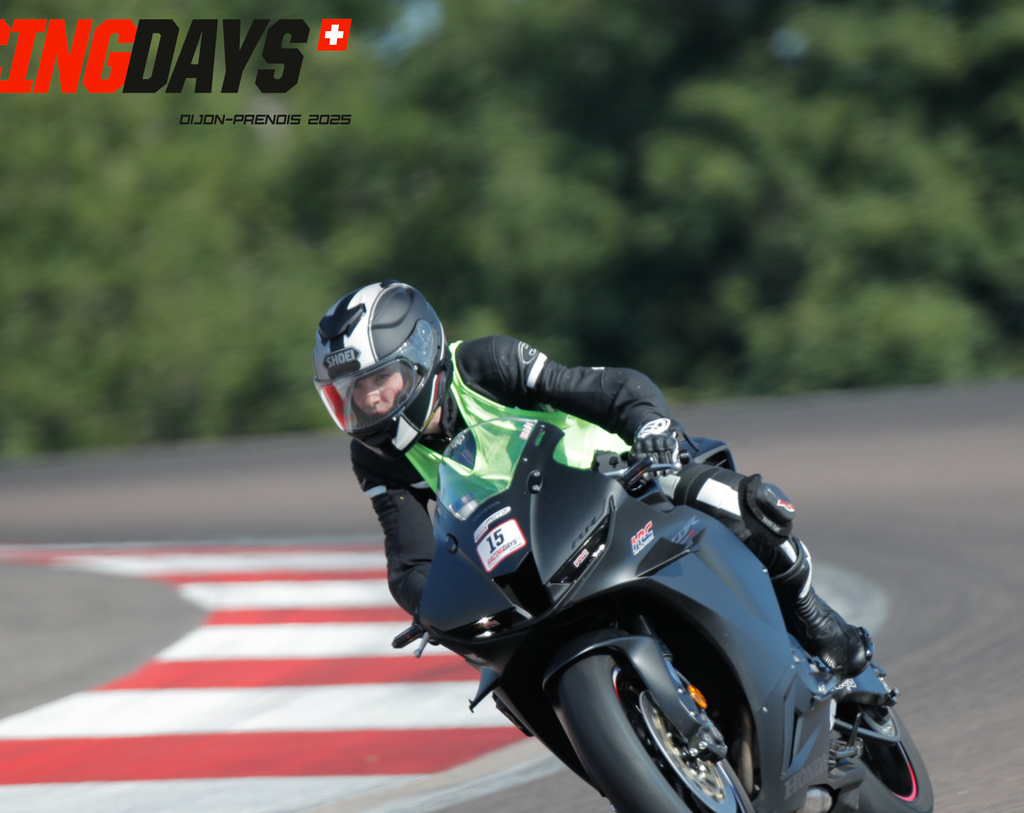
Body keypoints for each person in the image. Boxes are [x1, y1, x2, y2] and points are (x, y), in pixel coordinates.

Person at [312, 280, 869, 675]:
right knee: (496, 663)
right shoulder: (377, 458)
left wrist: (650, 427)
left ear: (419, 355)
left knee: (723, 496)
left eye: (379, 378)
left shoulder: (485, 364)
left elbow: (605, 388)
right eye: (353, 392)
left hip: (613, 479)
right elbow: (409, 560)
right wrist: (431, 610)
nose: (371, 401)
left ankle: (811, 612)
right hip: (528, 550)